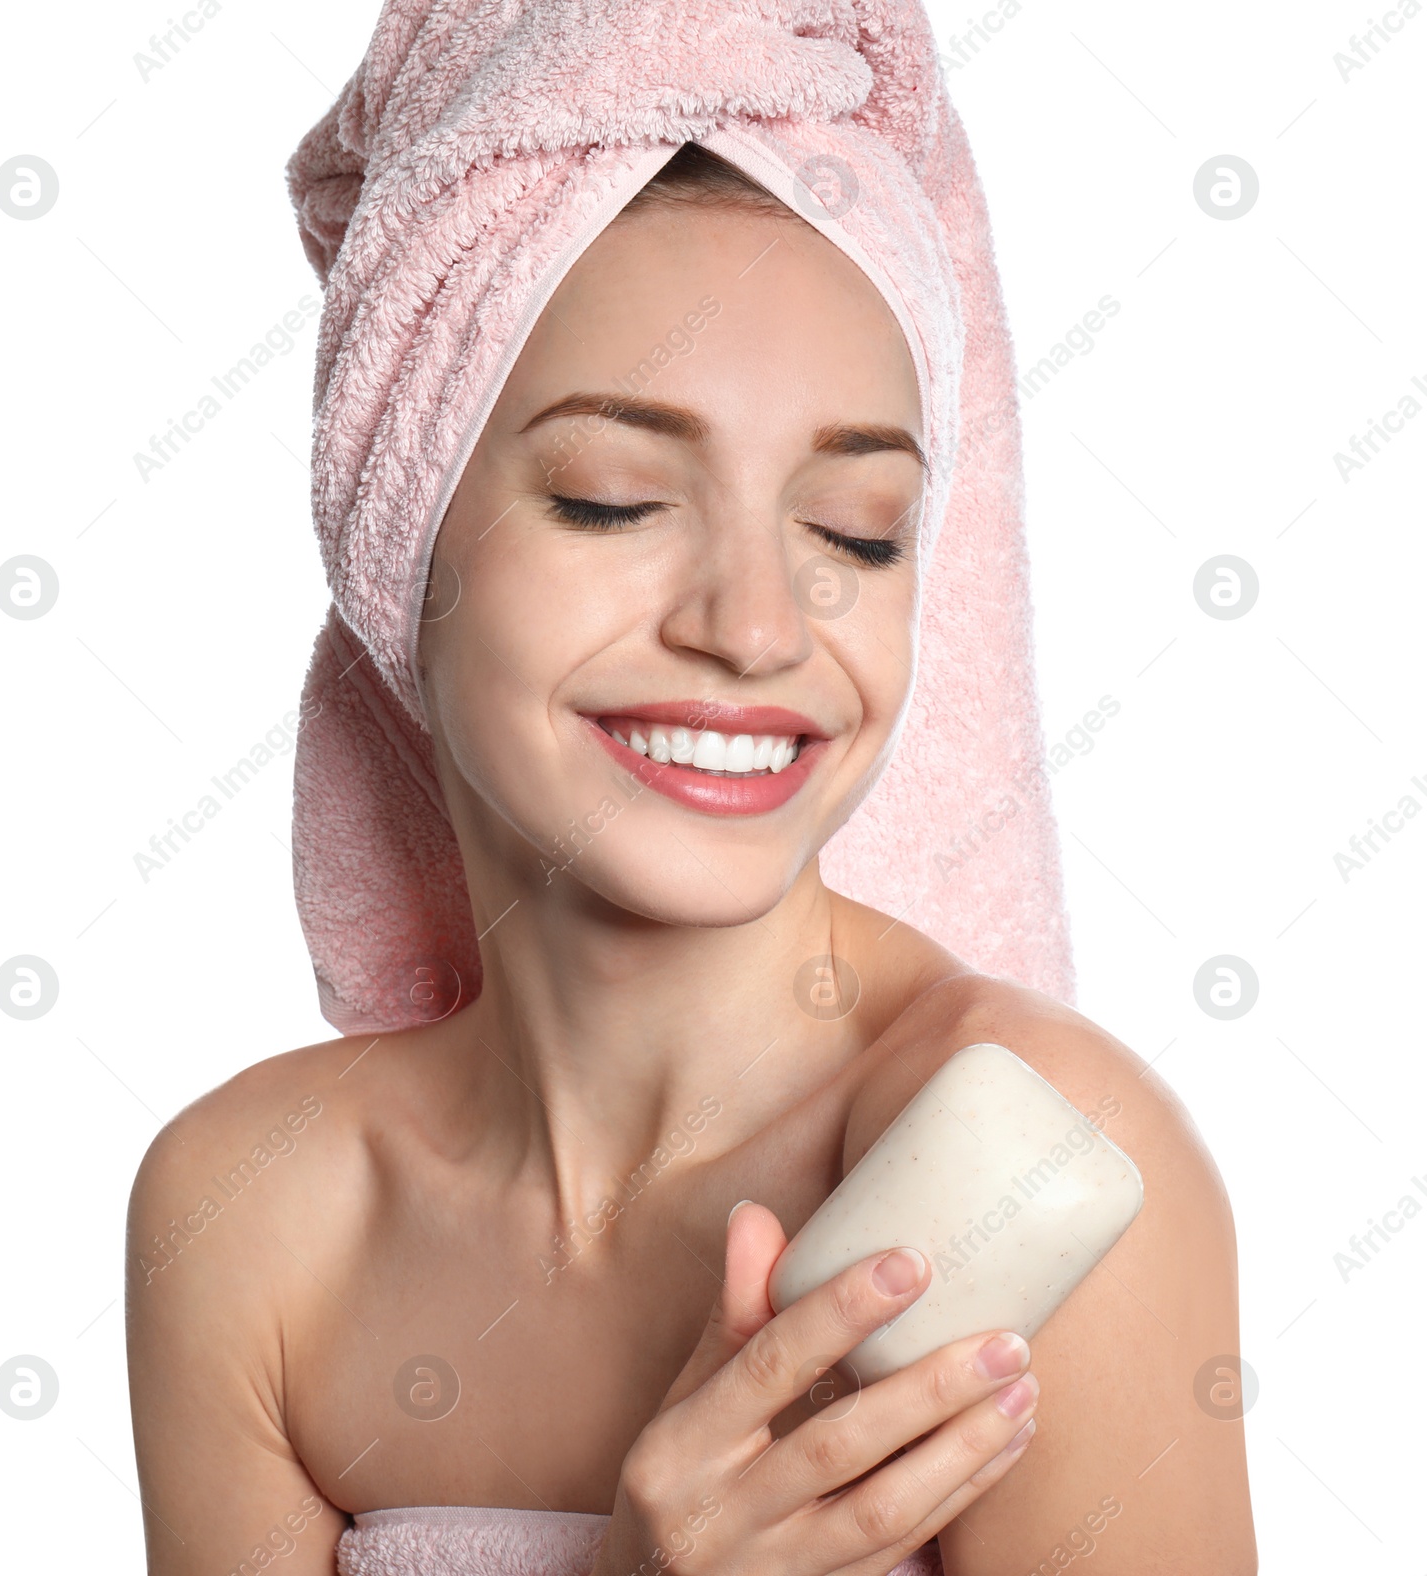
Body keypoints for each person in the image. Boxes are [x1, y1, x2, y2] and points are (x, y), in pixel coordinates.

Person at [125, 143, 1255, 1575]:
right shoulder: (254, 1218)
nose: (761, 627)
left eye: (860, 528)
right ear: (398, 530)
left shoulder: (1022, 1168)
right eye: (613, 497)